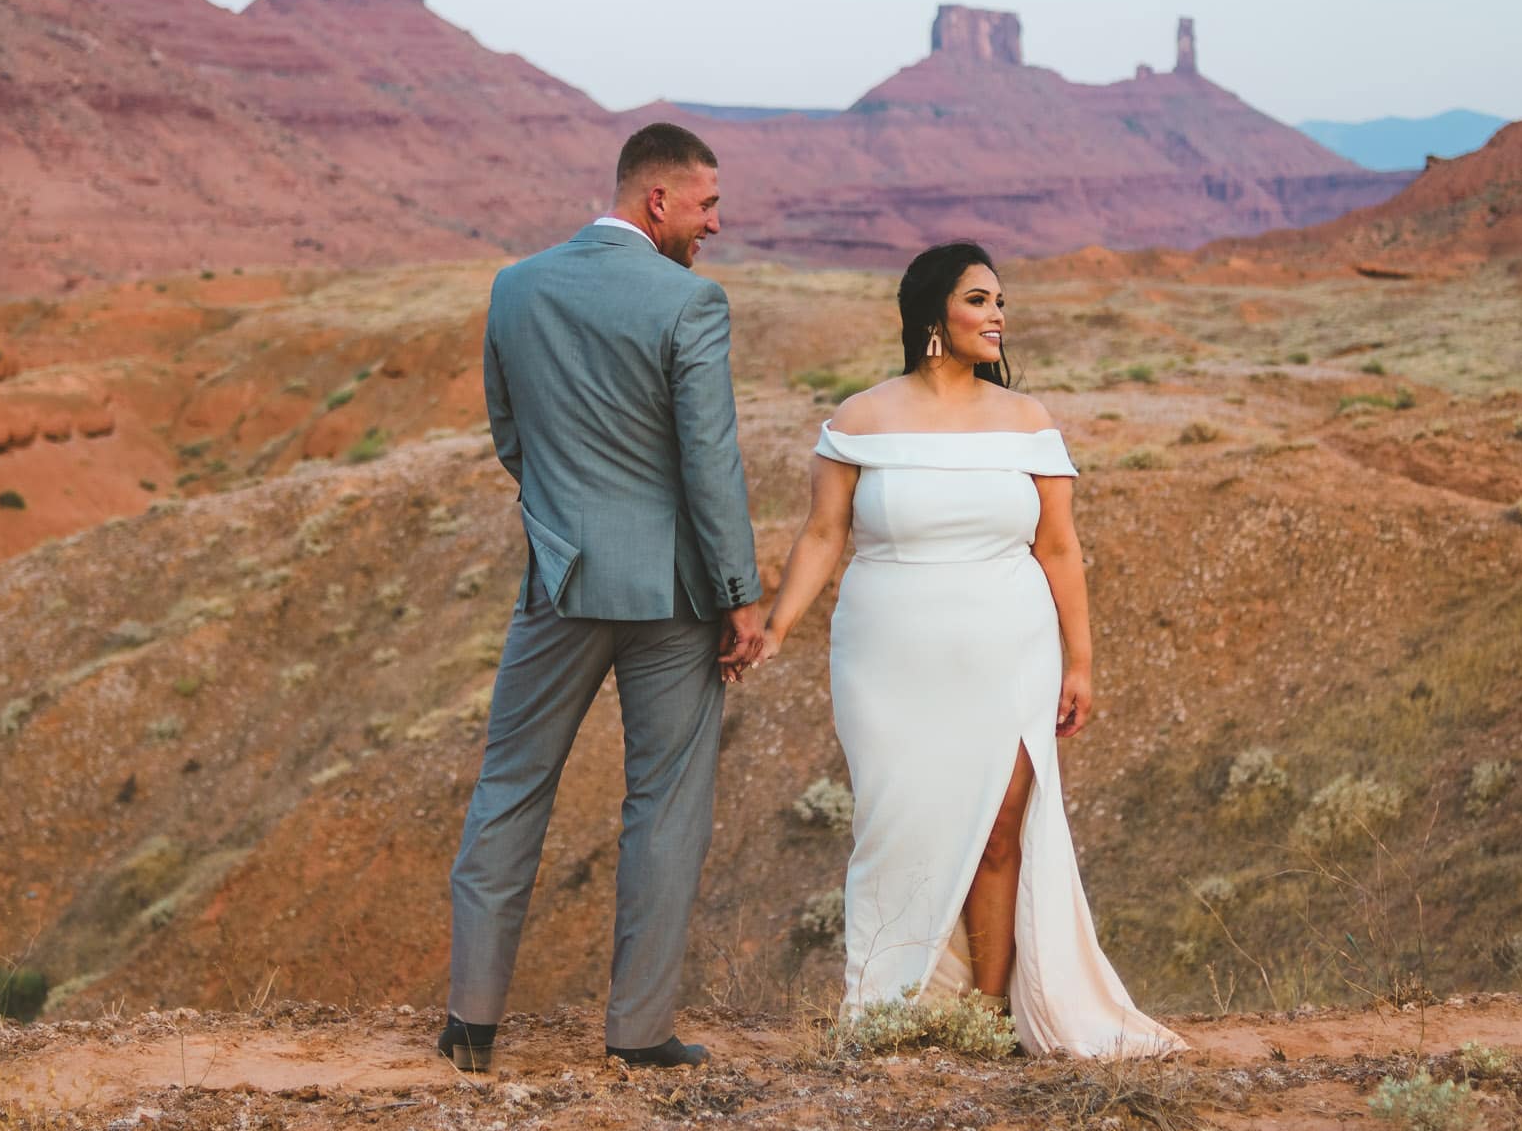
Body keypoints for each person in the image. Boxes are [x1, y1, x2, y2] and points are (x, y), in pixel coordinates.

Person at [726, 241, 1184, 1058]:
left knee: (1003, 825)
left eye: (1000, 300)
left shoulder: (1028, 422)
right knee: (897, 822)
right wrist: (780, 624)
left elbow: (1061, 550)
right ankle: (890, 1002)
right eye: (979, 300)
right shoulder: (860, 419)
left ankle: (991, 1013)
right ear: (933, 315)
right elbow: (824, 535)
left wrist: (1081, 662)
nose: (998, 314)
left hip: (1009, 647)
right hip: (886, 656)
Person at [441, 122, 766, 1072]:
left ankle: (470, 1026)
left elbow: (511, 435)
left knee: (509, 790)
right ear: (656, 200)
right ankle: (639, 1033)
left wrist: (562, 528)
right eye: (706, 204)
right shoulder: (691, 302)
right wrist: (741, 597)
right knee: (663, 806)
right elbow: (711, 465)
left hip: (562, 581)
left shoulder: (516, 286)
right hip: (674, 595)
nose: (716, 222)